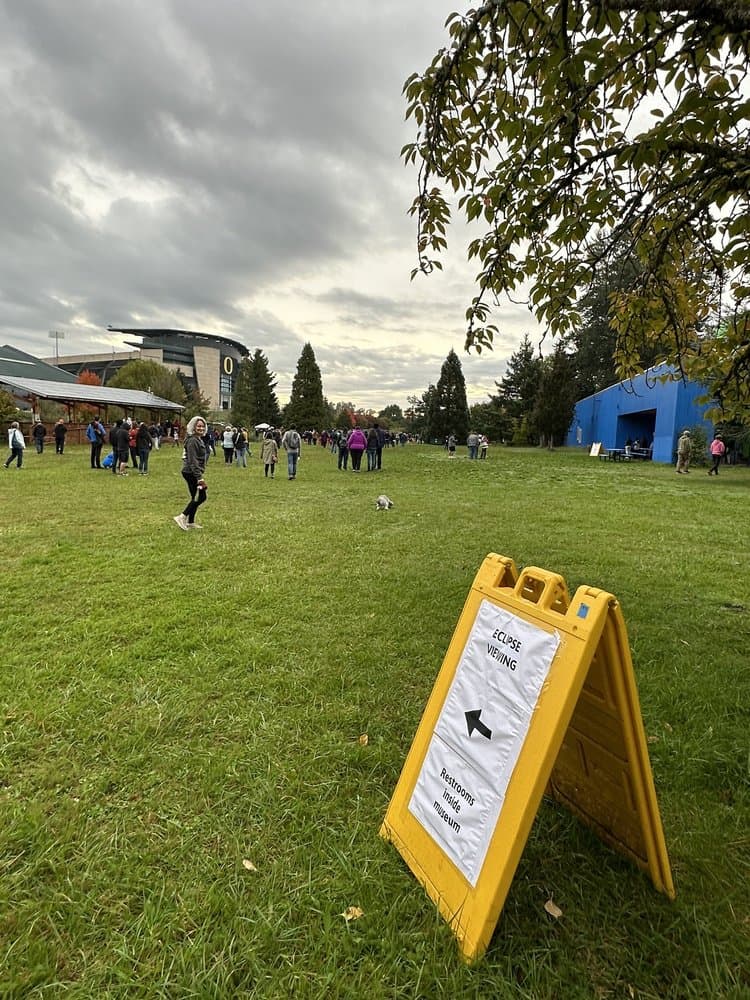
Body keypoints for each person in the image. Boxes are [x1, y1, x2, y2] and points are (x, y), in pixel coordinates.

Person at [173, 415, 208, 530]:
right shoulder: (193, 440)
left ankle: (190, 522)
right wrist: (199, 478)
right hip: (190, 472)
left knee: (195, 496)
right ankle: (182, 517)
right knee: (201, 497)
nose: (201, 428)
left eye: (203, 426)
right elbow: (192, 460)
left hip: (192, 471)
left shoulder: (197, 439)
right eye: (198, 426)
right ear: (193, 427)